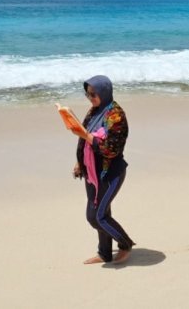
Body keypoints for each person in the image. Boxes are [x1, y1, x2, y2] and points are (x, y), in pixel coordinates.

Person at [70, 75, 135, 265]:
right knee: (101, 214)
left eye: (93, 94)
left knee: (97, 217)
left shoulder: (116, 115)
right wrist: (79, 162)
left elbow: (110, 149)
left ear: (104, 92)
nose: (90, 98)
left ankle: (125, 244)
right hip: (92, 172)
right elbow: (84, 139)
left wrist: (85, 135)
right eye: (87, 94)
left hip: (110, 173)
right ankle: (104, 253)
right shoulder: (95, 110)